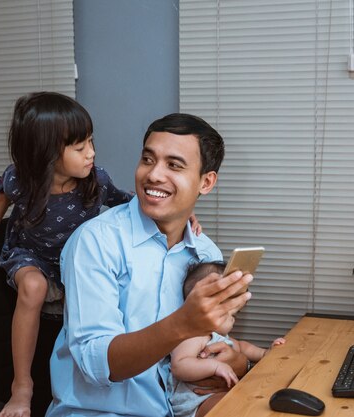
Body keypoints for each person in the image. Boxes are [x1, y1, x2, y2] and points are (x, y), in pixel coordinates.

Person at [46, 113, 253, 417]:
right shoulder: (94, 242)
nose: (153, 175)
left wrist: (236, 360)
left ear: (206, 182)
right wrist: (183, 323)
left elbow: (208, 342)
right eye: (147, 160)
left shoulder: (205, 252)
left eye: (174, 165)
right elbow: (96, 364)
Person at [0, 92, 133, 417]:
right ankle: (21, 387)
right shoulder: (21, 180)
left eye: (91, 143)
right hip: (30, 253)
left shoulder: (95, 180)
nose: (92, 154)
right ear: (45, 154)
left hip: (73, 264)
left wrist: (171, 216)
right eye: (80, 148)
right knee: (34, 288)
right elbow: (4, 191)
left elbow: (126, 202)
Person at [169, 261, 286, 417]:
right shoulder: (192, 335)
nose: (233, 321)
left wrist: (265, 353)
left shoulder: (220, 337)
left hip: (215, 395)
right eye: (229, 314)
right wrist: (215, 367)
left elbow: (242, 347)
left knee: (251, 401)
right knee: (232, 406)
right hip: (195, 401)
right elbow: (179, 366)